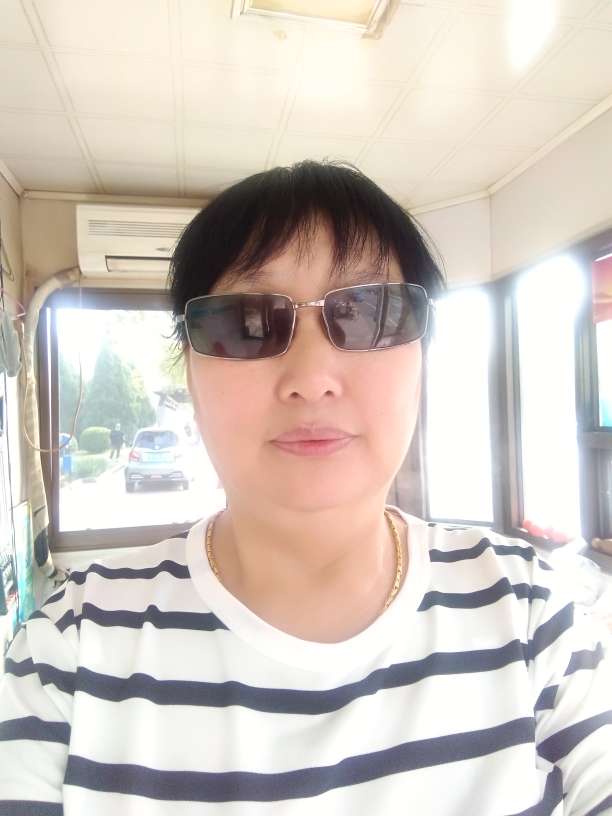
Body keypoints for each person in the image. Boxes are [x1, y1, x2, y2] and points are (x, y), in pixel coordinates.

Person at [0, 161, 610, 815]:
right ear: (190, 371)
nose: (312, 378)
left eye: (369, 313)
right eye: (247, 322)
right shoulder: (68, 650)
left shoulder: (532, 614)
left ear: (423, 356)